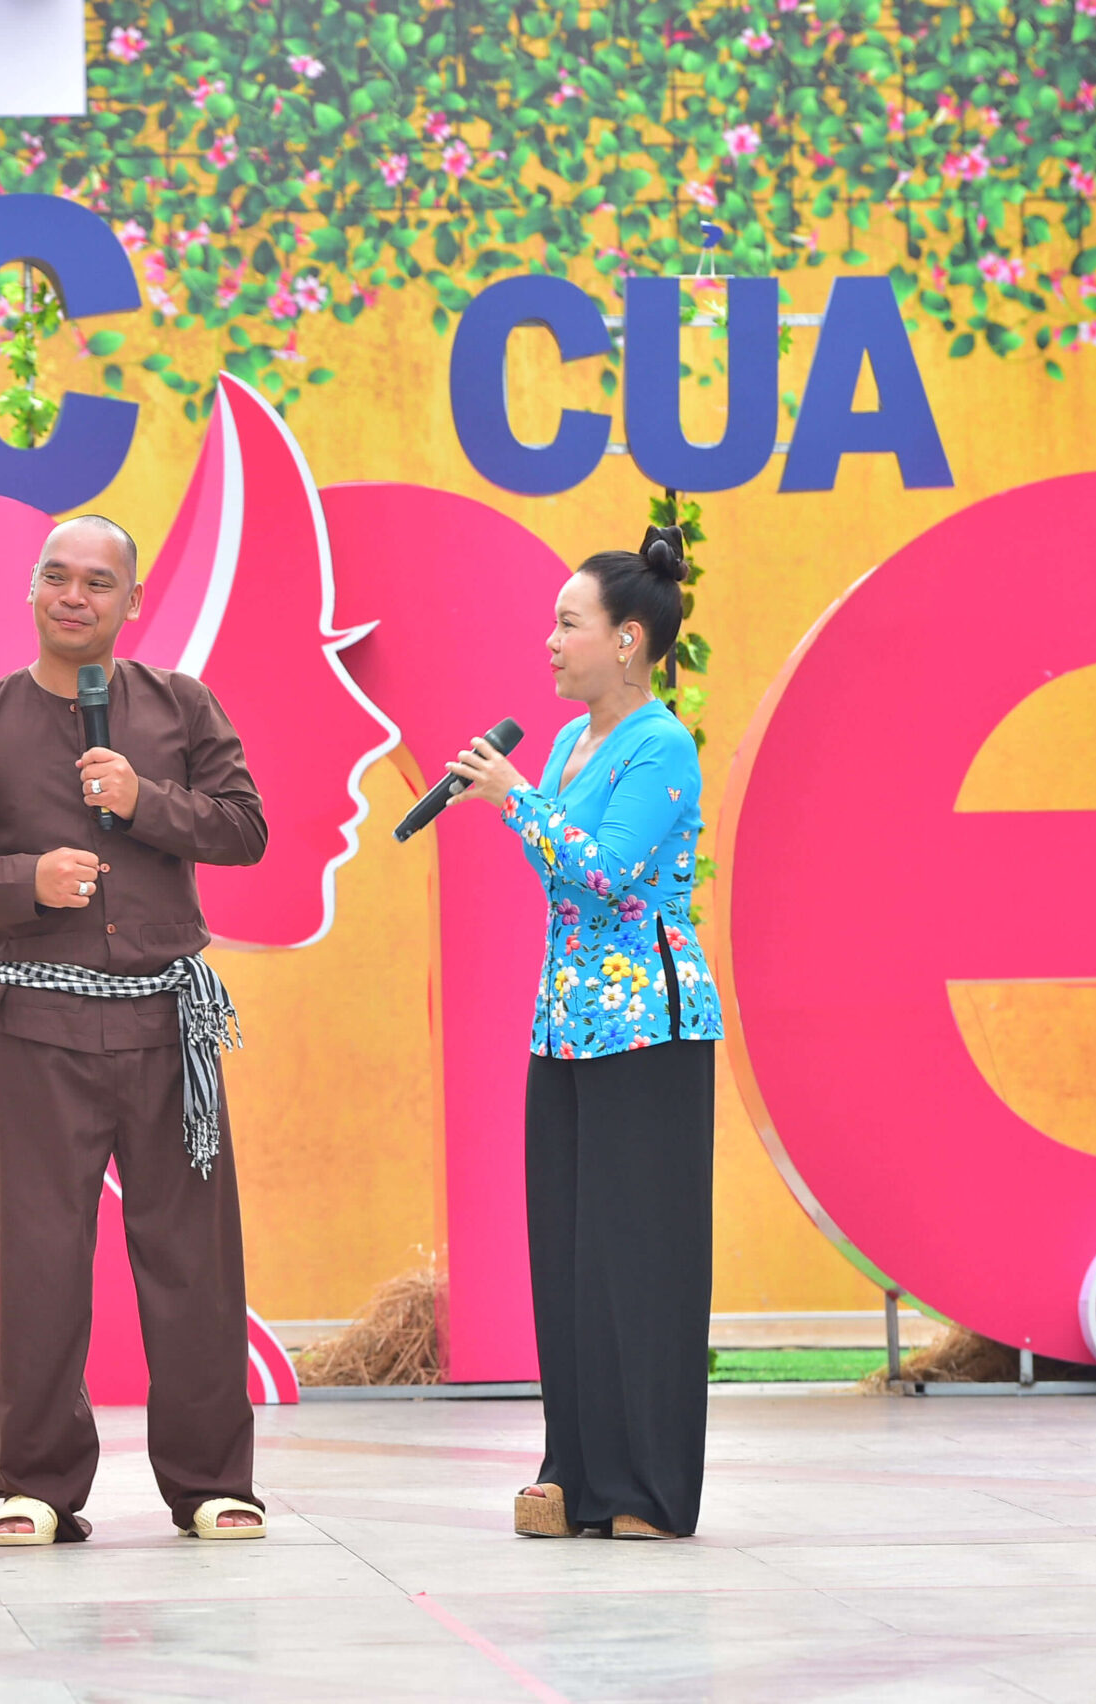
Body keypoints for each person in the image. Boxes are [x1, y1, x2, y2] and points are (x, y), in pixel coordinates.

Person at [0, 513, 272, 1546]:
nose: (75, 596)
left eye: (98, 582)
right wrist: (26, 881)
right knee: (41, 1262)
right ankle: (37, 1487)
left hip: (169, 1029)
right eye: (57, 577)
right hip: (38, 1030)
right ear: (31, 589)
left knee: (194, 1263)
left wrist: (146, 800)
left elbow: (245, 827)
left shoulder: (182, 706)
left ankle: (211, 1484)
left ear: (132, 601)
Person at [444, 521, 726, 1542]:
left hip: (648, 1027)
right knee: (567, 1257)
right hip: (566, 1024)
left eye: (569, 624)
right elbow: (559, 875)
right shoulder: (571, 743)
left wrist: (516, 800)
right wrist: (525, 805)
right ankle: (573, 1471)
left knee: (638, 1258)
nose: (551, 642)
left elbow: (607, 874)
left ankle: (644, 1487)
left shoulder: (661, 744)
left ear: (628, 641)